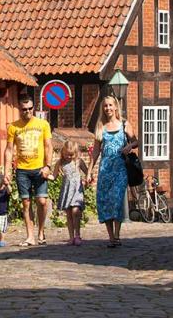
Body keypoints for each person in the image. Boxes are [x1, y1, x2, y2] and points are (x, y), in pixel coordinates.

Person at [87, 95, 138, 247]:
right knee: (104, 202)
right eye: (105, 106)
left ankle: (117, 234)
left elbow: (136, 141)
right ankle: (111, 237)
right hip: (105, 169)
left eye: (110, 105)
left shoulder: (124, 124)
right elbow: (95, 152)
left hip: (120, 168)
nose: (108, 108)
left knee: (116, 200)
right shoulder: (100, 126)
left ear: (116, 107)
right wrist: (89, 171)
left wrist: (130, 146)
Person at [3, 95, 53, 246]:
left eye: (30, 109)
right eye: (24, 109)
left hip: (39, 169)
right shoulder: (13, 127)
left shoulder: (43, 124)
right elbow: (9, 150)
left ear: (34, 108)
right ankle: (30, 236)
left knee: (42, 201)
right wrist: (7, 171)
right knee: (26, 203)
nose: (27, 112)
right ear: (20, 109)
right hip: (22, 170)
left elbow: (48, 146)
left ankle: (41, 231)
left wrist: (48, 166)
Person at [54, 140, 88, 246]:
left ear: (76, 153)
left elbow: (87, 173)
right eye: (67, 154)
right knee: (69, 214)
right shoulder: (60, 163)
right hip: (67, 190)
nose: (69, 157)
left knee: (75, 211)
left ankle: (77, 235)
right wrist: (46, 176)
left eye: (71, 155)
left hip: (77, 190)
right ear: (63, 152)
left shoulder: (78, 162)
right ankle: (71, 237)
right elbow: (54, 176)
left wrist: (88, 179)